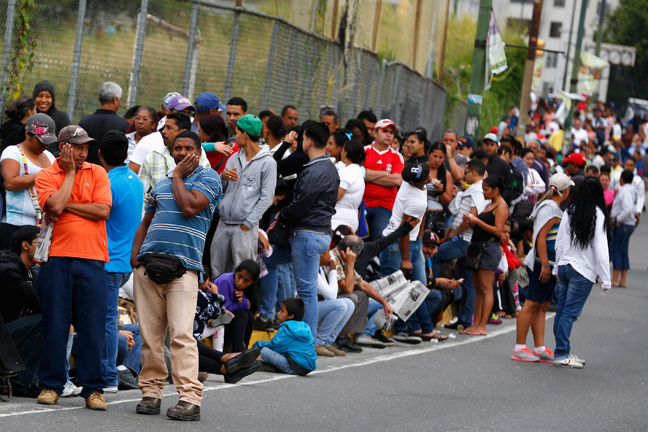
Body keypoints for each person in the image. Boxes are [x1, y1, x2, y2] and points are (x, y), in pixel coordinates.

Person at [131, 130, 221, 421]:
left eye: (189, 148)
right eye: (177, 148)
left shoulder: (209, 179)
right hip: (149, 266)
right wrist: (136, 256)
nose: (182, 153)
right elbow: (147, 219)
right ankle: (151, 392)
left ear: (199, 152)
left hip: (184, 270)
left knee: (181, 336)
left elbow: (189, 206)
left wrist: (178, 176)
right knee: (150, 336)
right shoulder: (161, 184)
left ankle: (190, 399)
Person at [34, 125, 112, 410]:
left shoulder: (98, 172)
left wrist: (69, 204)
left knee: (92, 328)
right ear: (63, 148)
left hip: (93, 260)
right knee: (55, 326)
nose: (83, 152)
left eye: (86, 147)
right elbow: (53, 207)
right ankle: (51, 386)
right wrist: (68, 175)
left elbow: (103, 210)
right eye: (77, 146)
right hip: (57, 258)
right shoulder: (46, 175)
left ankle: (94, 389)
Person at [259, 122, 338, 337]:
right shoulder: (329, 166)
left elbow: (301, 205)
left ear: (309, 141)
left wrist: (280, 216)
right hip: (316, 234)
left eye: (303, 139)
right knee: (267, 260)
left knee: (306, 291)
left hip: (307, 236)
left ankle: (307, 341)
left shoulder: (314, 170)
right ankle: (267, 314)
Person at [98, 130, 144, 393]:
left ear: (100, 154)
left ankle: (108, 377)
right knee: (105, 318)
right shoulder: (134, 179)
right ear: (126, 155)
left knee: (104, 320)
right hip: (124, 262)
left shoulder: (107, 183)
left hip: (109, 262)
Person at [512, 174, 572, 362]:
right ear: (566, 191)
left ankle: (539, 347)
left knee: (542, 305)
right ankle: (519, 347)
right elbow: (540, 237)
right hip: (541, 265)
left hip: (548, 264)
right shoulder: (551, 208)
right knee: (531, 304)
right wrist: (545, 264)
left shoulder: (550, 206)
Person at [552, 177, 610, 368]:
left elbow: (559, 242)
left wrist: (555, 266)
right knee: (570, 313)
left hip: (564, 266)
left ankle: (563, 351)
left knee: (562, 311)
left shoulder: (570, 210)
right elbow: (601, 249)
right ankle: (561, 353)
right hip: (582, 271)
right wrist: (606, 278)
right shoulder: (598, 214)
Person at [210, 114, 276, 276]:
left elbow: (267, 198)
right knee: (217, 270)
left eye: (237, 132)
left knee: (242, 273)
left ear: (245, 135)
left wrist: (248, 223)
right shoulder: (233, 158)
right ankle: (218, 301)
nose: (235, 136)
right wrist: (222, 177)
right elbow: (222, 189)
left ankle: (241, 302)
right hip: (224, 223)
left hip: (244, 227)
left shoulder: (268, 163)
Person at [379, 162, 438, 340]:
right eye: (426, 176)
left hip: (414, 242)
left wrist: (419, 240)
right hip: (397, 244)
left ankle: (420, 328)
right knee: (392, 290)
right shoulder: (416, 201)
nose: (429, 177)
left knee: (418, 287)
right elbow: (404, 229)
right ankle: (390, 330)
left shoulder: (410, 181)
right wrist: (406, 258)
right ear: (417, 183)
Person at [439, 159, 489, 332]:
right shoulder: (479, 189)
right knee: (468, 281)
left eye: (466, 172)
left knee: (436, 255)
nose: (464, 176)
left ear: (474, 173)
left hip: (464, 239)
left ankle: (437, 294)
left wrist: (454, 232)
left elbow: (470, 217)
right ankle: (465, 319)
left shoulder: (476, 191)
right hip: (466, 239)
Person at [0, 114, 57, 250]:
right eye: (41, 141)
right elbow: (9, 183)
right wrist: (43, 175)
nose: (45, 145)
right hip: (13, 224)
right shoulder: (13, 152)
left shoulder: (49, 157)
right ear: (27, 134)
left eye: (48, 141)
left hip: (39, 227)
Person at [461, 176, 509, 336]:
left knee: (487, 288)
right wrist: (471, 221)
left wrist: (477, 221)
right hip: (477, 248)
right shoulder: (490, 204)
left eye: (486, 189)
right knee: (478, 289)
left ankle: (482, 326)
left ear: (496, 190)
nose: (483, 192)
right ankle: (476, 324)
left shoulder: (501, 206)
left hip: (489, 249)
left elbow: (497, 230)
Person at [0, 226, 43, 397]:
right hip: (3, 333)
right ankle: (21, 382)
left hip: (9, 331)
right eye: (40, 243)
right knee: (47, 321)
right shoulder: (7, 270)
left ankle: (29, 379)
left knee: (52, 322)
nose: (45, 247)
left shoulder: (30, 271)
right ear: (25, 245)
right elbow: (38, 302)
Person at [138, 112, 210, 196]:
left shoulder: (198, 155)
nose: (163, 131)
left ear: (182, 132)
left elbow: (204, 195)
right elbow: (141, 192)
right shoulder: (153, 155)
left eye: (169, 128)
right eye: (164, 127)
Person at [128, 95, 195, 174]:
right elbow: (133, 173)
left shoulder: (194, 144)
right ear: (168, 113)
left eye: (189, 114)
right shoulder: (149, 141)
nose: (186, 117)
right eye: (182, 113)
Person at [363, 119, 404, 241]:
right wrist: (384, 173)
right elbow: (360, 174)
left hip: (385, 206)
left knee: (379, 244)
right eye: (385, 131)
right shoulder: (364, 151)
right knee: (359, 244)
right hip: (362, 203)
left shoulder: (397, 156)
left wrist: (369, 175)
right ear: (375, 133)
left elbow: (397, 180)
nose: (389, 135)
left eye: (391, 133)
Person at [254, 298, 317, 375]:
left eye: (282, 311)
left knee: (264, 351)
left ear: (290, 316)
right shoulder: (305, 326)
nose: (278, 313)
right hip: (307, 368)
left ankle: (280, 367)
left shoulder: (286, 327)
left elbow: (274, 346)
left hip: (295, 366)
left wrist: (257, 345)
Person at [79, 82, 130, 165]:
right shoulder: (124, 125)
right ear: (115, 100)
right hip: (111, 174)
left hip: (86, 172)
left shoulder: (84, 122)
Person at [315, 251, 355, 357]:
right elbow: (332, 296)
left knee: (350, 304)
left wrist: (331, 271)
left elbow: (331, 294)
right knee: (340, 305)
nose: (330, 257)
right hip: (305, 310)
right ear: (321, 255)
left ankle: (327, 342)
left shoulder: (319, 269)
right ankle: (318, 343)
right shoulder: (312, 269)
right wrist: (332, 271)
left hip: (316, 306)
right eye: (328, 253)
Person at [217, 260, 261, 353]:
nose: (240, 283)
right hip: (213, 319)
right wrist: (245, 303)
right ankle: (237, 354)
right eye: (239, 276)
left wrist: (245, 300)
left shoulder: (249, 289)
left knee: (249, 315)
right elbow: (225, 309)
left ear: (252, 282)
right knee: (241, 315)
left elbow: (252, 308)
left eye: (246, 281)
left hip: (227, 323)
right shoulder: (226, 280)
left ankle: (244, 350)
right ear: (236, 272)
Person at [331, 139, 365, 232]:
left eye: (342, 150)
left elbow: (334, 197)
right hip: (345, 218)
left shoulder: (349, 172)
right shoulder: (354, 169)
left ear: (345, 153)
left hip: (339, 221)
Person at [610, 169, 637, 288]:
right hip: (629, 223)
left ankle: (615, 279)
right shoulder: (631, 190)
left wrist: (618, 220)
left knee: (617, 250)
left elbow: (627, 208)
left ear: (622, 178)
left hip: (623, 223)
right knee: (623, 251)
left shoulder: (626, 191)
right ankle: (623, 279)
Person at [31, 80, 71, 155]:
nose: (43, 100)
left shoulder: (61, 117)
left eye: (48, 96)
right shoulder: (30, 117)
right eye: (40, 96)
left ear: (52, 99)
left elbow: (68, 143)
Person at [425, 141, 453, 239]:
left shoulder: (446, 174)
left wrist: (441, 191)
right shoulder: (420, 168)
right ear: (428, 154)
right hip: (419, 212)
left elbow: (447, 202)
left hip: (436, 216)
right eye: (435, 156)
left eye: (441, 158)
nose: (437, 160)